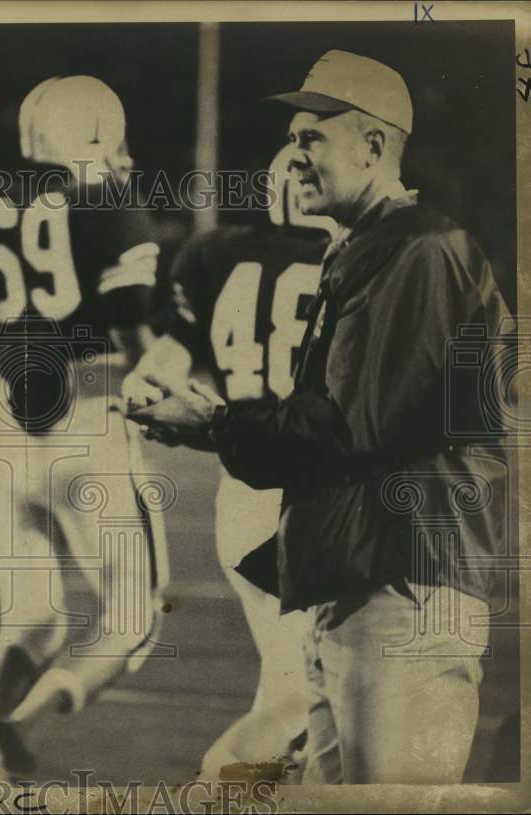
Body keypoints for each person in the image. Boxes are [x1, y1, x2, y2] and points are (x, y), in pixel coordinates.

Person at [126, 50, 512, 784]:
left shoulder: (419, 250)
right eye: (294, 137)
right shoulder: (369, 250)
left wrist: (210, 422)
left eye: (313, 138)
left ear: (374, 145)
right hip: (358, 583)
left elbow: (345, 429)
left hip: (404, 589)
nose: (294, 155)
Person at [0, 75, 169, 782]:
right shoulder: (109, 206)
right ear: (96, 138)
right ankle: (17, 728)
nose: (126, 156)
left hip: (7, 429)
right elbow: (136, 342)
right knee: (135, 617)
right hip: (91, 423)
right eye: (117, 140)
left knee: (33, 623)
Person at [124, 147, 334, 780]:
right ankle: (214, 789)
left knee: (298, 688)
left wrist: (147, 389)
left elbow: (164, 358)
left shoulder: (213, 255)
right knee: (304, 696)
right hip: (310, 494)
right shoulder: (352, 261)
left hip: (242, 492)